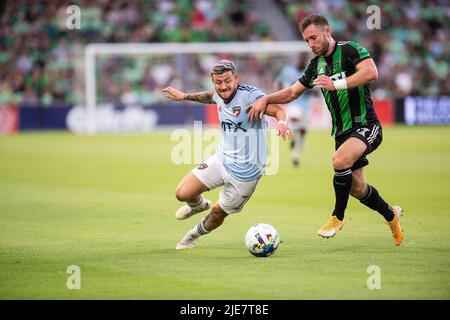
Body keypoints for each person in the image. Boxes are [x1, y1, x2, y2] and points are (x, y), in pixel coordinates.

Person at [247, 15, 404, 246]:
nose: (311, 44)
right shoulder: (315, 65)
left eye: (313, 38)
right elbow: (292, 93)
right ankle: (391, 215)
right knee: (357, 188)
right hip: (341, 133)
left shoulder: (350, 50)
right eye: (306, 41)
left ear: (327, 31)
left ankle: (337, 217)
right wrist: (265, 99)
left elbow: (371, 73)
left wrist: (336, 83)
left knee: (339, 161)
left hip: (366, 125)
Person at [162, 60, 292, 250]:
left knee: (217, 213)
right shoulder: (218, 93)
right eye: (218, 82)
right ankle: (198, 206)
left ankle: (191, 237)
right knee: (182, 193)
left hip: (246, 174)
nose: (223, 86)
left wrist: (282, 123)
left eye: (228, 81)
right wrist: (183, 96)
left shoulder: (250, 96)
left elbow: (278, 110)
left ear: (236, 79)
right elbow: (209, 96)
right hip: (222, 160)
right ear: (213, 81)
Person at [276, 52, 313, 167]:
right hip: (293, 103)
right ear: (298, 58)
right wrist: (280, 96)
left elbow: (314, 87)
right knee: (294, 119)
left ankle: (295, 155)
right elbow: (279, 81)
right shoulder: (288, 71)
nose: (303, 59)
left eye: (305, 58)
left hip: (306, 104)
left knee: (303, 131)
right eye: (301, 57)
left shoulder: (309, 72)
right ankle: (292, 132)